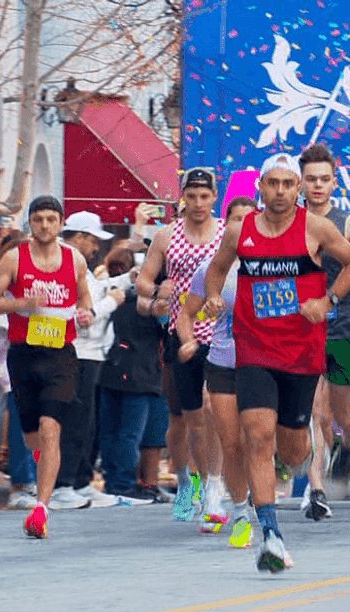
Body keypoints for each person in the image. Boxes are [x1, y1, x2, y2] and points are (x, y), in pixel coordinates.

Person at [202, 153, 350, 573]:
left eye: (286, 184)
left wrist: (327, 300)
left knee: (292, 452)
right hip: (254, 347)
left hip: (301, 352)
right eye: (271, 183)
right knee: (257, 435)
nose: (279, 191)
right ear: (261, 187)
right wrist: (215, 297)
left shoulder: (316, 227)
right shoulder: (240, 232)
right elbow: (217, 271)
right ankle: (271, 535)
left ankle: (308, 443)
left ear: (298, 188)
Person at [0, 195, 95, 539]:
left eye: (51, 219)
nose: (45, 225)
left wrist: (87, 311)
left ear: (61, 223)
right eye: (39, 219)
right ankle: (46, 466)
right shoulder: (15, 258)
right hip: (24, 353)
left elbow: (84, 295)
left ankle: (41, 508)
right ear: (30, 222)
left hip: (61, 354)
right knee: (35, 438)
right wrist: (22, 303)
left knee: (50, 427)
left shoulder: (74, 259)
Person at [136, 168, 226, 521]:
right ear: (183, 198)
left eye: (205, 197)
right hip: (182, 334)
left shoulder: (225, 234)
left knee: (212, 410)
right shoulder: (166, 236)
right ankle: (187, 480)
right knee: (185, 421)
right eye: (192, 196)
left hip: (219, 335)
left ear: (214, 198)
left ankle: (213, 488)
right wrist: (159, 289)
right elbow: (143, 282)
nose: (199, 203)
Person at [177, 198, 259, 541]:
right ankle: (214, 490)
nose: (241, 227)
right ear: (226, 226)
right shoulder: (211, 268)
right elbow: (186, 314)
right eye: (235, 220)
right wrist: (187, 340)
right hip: (222, 356)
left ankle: (254, 490)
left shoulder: (275, 265)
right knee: (216, 421)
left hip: (263, 361)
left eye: (248, 220)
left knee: (254, 433)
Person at [298, 144, 350, 518]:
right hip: (303, 328)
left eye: (324, 179)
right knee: (314, 413)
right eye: (311, 179)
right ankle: (317, 489)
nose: (318, 186)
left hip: (343, 326)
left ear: (334, 181)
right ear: (300, 182)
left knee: (342, 414)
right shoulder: (292, 223)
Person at [53, 211, 124, 508]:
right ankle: (63, 484)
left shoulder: (77, 263)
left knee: (86, 423)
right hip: (76, 351)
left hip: (89, 353)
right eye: (93, 241)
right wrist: (113, 301)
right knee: (74, 422)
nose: (97, 249)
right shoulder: (66, 261)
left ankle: (79, 481)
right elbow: (85, 315)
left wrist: (122, 284)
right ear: (80, 237)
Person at [97, 246, 168, 505]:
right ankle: (125, 483)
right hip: (142, 374)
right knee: (129, 434)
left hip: (110, 368)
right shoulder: (151, 305)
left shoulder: (115, 299)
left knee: (110, 431)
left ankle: (111, 480)